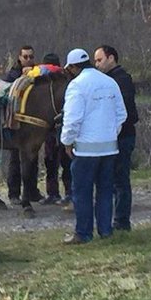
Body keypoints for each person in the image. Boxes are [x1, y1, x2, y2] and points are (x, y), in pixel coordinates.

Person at [60, 48, 127, 244]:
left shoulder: (76, 86)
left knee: (82, 192)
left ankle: (83, 233)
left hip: (86, 150)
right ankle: (105, 231)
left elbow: (72, 119)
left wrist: (67, 141)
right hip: (109, 148)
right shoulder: (109, 81)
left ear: (73, 67)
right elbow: (121, 114)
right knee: (106, 191)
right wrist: (109, 133)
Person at [94, 45, 138, 230]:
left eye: (99, 60)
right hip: (109, 137)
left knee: (120, 180)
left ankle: (122, 221)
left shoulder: (122, 79)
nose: (96, 64)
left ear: (111, 58)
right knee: (110, 180)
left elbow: (125, 112)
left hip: (122, 136)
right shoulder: (106, 79)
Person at [1, 45, 40, 204]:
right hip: (17, 121)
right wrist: (20, 77)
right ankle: (14, 193)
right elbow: (7, 89)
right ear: (20, 58)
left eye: (31, 57)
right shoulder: (13, 73)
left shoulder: (37, 71)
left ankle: (32, 191)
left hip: (33, 122)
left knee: (33, 159)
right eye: (26, 57)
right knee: (16, 158)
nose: (29, 60)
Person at [39, 52, 70, 206]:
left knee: (64, 161)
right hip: (51, 129)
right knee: (51, 161)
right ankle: (54, 193)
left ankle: (67, 192)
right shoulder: (43, 85)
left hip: (61, 128)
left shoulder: (66, 83)